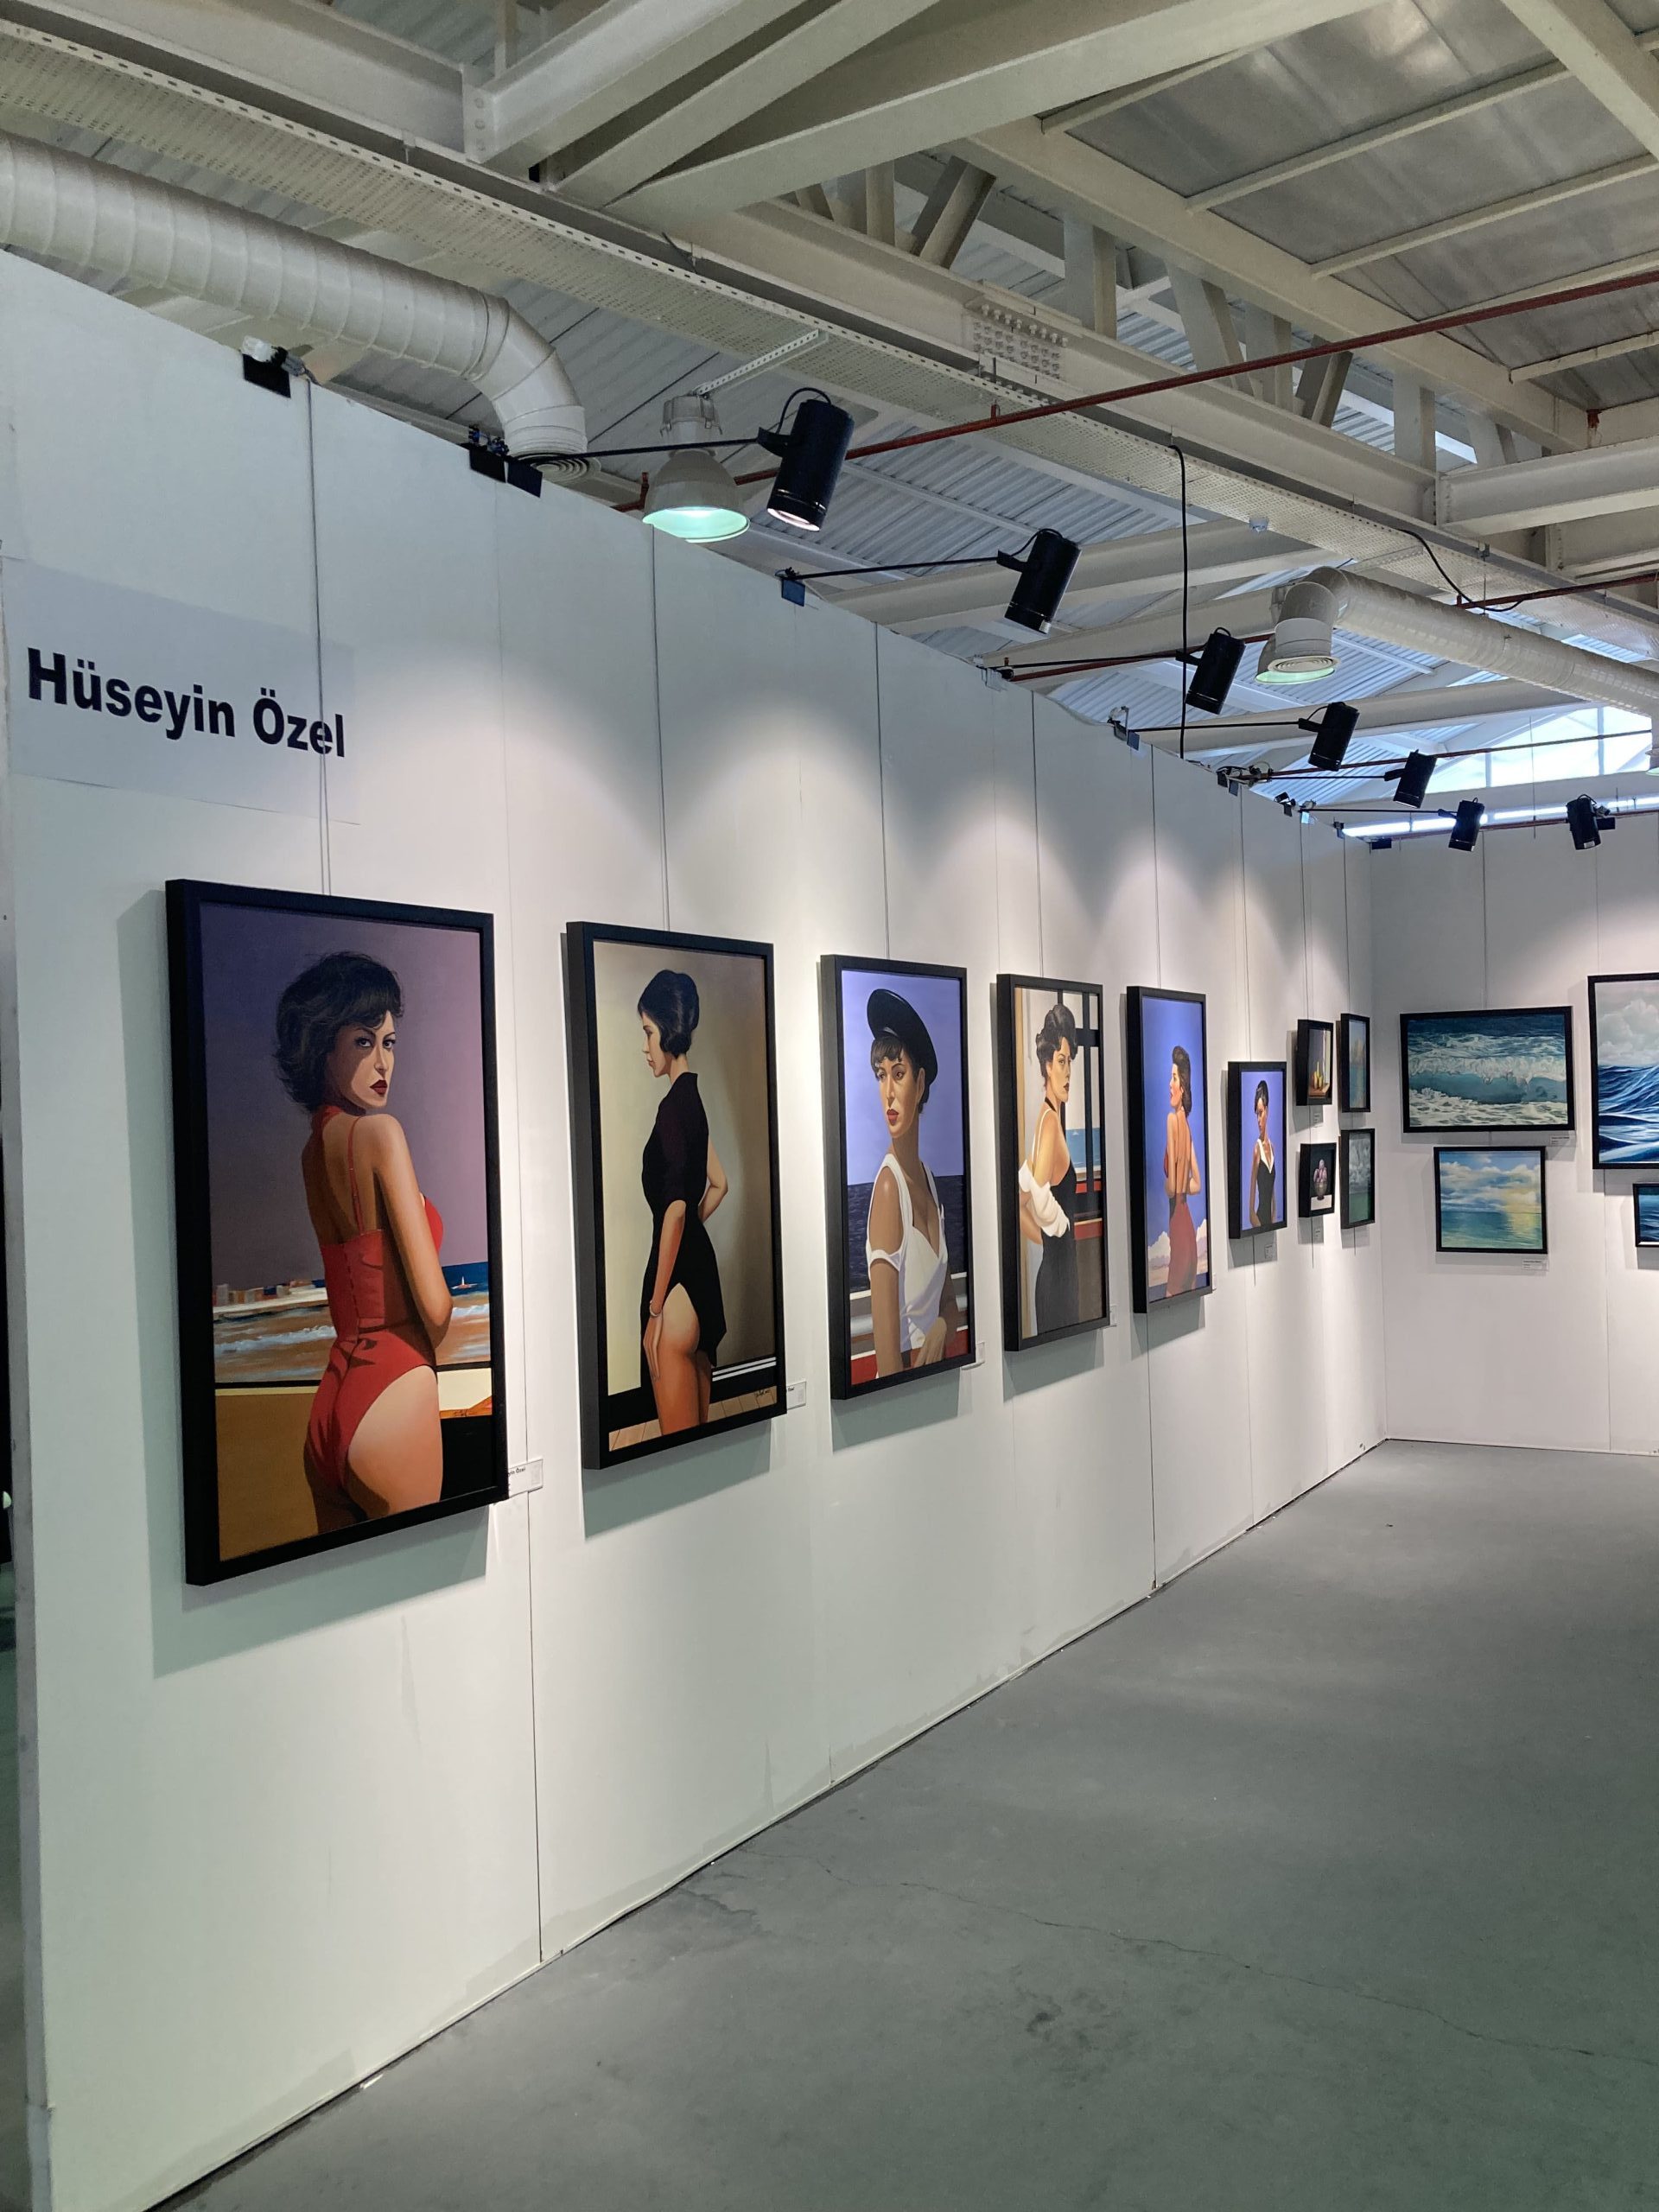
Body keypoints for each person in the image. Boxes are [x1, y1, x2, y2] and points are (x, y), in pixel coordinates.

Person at [276, 950, 451, 1532]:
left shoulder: (313, 1151)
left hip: (333, 1402)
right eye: (362, 1042)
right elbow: (436, 1308)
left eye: (390, 1043)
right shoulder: (381, 1134)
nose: (383, 1063)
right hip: (392, 1393)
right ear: (321, 1047)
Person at [638, 969, 727, 1435]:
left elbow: (674, 1211)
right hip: (702, 1283)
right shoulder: (694, 1101)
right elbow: (720, 1184)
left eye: (648, 1032)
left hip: (673, 1296)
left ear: (668, 1030)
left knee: (678, 1445)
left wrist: (654, 1313)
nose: (645, 1047)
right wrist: (692, 1228)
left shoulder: (671, 1109)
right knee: (702, 1445)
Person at [865, 988, 959, 1375]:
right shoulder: (890, 1190)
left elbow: (950, 1306)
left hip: (937, 1386)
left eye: (899, 1074)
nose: (888, 1093)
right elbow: (887, 1362)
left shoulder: (929, 1181)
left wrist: (940, 1328)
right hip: (907, 1391)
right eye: (881, 1076)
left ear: (920, 1085)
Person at [1018, 1001, 1079, 1332]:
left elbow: (1021, 1200)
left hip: (1057, 1274)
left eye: (1069, 1061)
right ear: (1046, 1065)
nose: (1067, 1072)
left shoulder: (1046, 1119)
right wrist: (1059, 1233)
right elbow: (1038, 1199)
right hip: (1058, 1282)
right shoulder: (1050, 1123)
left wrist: (1050, 1243)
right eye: (1061, 1061)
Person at [1164, 1043, 1202, 1294]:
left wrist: (1171, 1184)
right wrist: (1181, 1186)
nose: (1170, 1084)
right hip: (1188, 1230)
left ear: (1183, 1087)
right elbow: (1196, 1185)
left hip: (1178, 1227)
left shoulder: (1172, 1120)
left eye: (1174, 1078)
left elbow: (1171, 1189)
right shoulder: (1187, 1127)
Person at [1249, 1077, 1276, 1230]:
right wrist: (1261, 1229)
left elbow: (1273, 1198)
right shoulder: (1257, 1150)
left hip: (1270, 1224)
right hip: (1260, 1223)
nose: (1259, 1119)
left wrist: (1274, 1222)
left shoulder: (1272, 1148)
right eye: (1256, 1114)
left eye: (1261, 1113)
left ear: (1267, 1110)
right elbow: (1251, 1212)